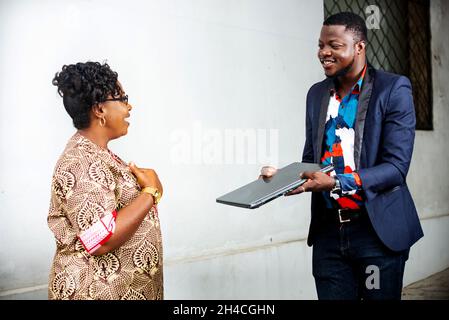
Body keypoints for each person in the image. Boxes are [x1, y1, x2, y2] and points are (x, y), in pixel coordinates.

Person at [261, 12, 423, 300]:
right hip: (328, 236)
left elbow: (396, 168)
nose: (324, 52)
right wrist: (284, 179)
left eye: (334, 45)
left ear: (359, 46)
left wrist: (336, 183)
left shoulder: (393, 88)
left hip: (376, 233)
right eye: (321, 45)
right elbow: (312, 159)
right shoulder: (316, 94)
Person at [48, 62, 164, 300]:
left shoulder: (98, 154)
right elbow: (99, 241)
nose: (129, 106)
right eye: (122, 98)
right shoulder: (79, 161)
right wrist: (150, 192)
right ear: (99, 109)